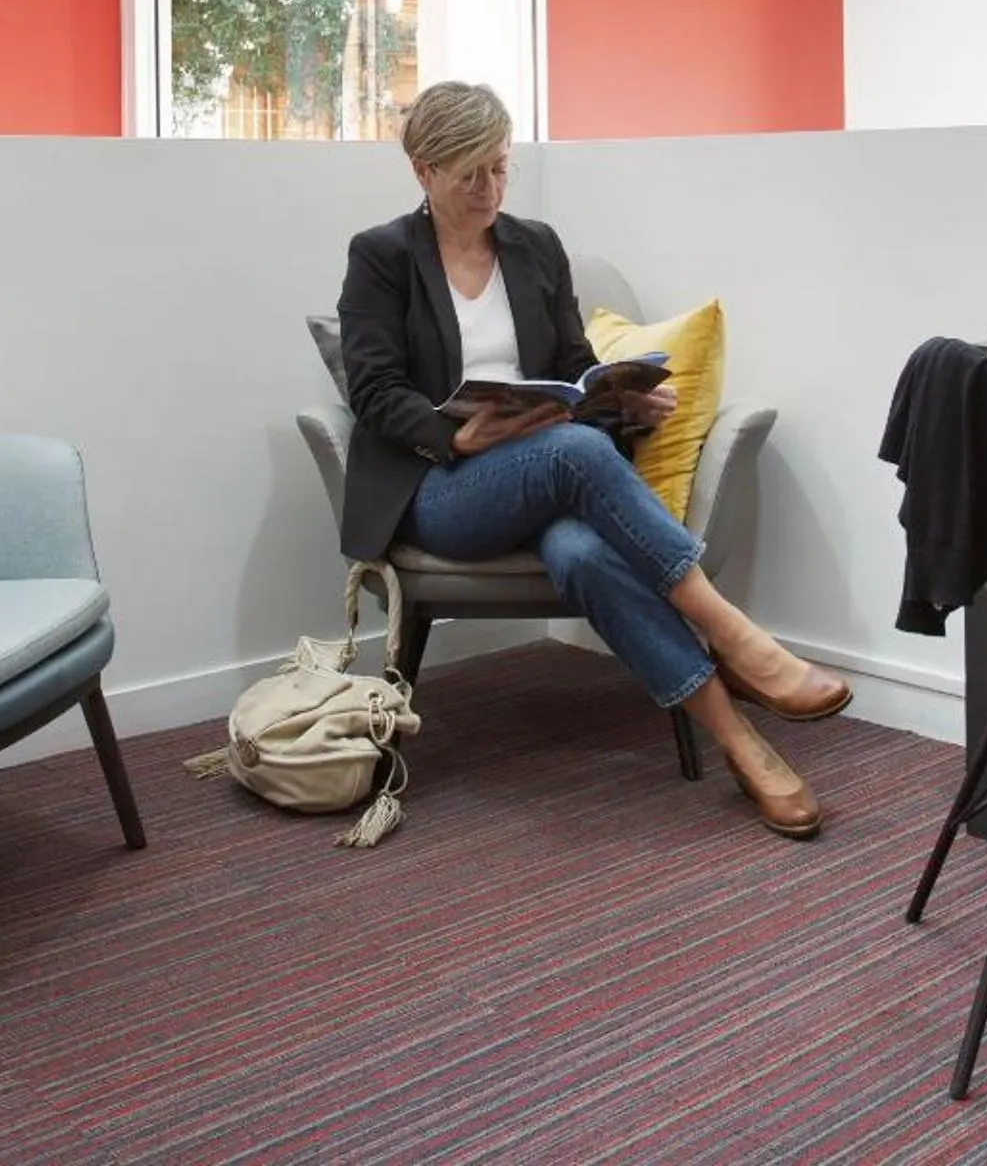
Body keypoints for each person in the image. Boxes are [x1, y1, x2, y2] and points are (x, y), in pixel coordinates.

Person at [336, 81, 851, 841]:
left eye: (501, 168)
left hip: (544, 474)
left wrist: (623, 400)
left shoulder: (535, 246)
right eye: (470, 173)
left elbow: (574, 368)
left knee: (582, 550)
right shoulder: (381, 256)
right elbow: (373, 390)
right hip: (441, 490)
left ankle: (742, 743)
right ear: (423, 171)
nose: (490, 190)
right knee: (574, 451)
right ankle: (737, 636)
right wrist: (456, 436)